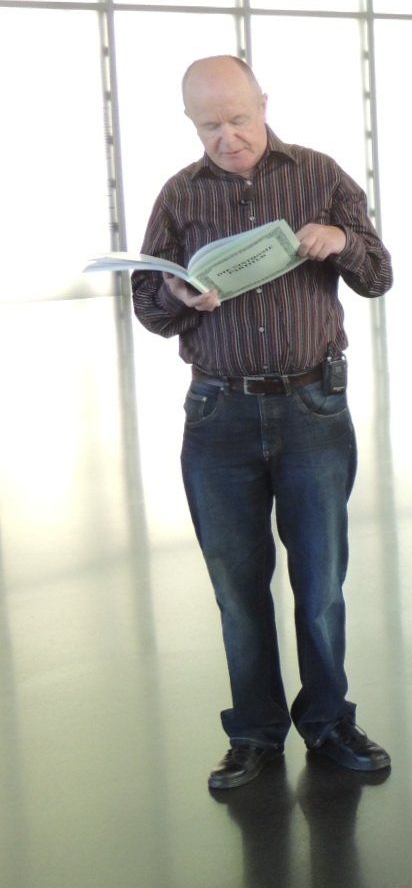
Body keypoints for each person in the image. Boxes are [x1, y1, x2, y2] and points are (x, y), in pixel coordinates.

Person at [131, 55, 394, 790]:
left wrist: (343, 242)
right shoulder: (179, 195)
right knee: (238, 589)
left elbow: (379, 274)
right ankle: (253, 733)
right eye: (209, 126)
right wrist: (179, 297)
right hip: (219, 414)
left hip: (313, 406)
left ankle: (329, 722)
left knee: (321, 583)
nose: (228, 138)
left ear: (263, 104)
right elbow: (147, 304)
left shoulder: (319, 174)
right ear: (192, 124)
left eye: (238, 120)